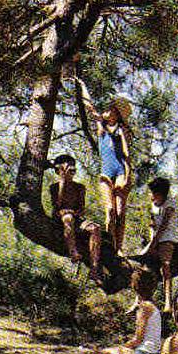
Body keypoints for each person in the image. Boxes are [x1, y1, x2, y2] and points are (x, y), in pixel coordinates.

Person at [73, 77, 133, 256]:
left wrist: (128, 177)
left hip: (120, 171)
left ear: (116, 114)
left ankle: (119, 248)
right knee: (109, 210)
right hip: (106, 172)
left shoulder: (121, 131)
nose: (105, 112)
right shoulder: (101, 129)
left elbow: (127, 156)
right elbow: (89, 106)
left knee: (120, 212)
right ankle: (110, 243)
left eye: (110, 110)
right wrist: (82, 84)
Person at [48, 154, 102, 280]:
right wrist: (62, 181)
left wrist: (75, 212)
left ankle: (94, 267)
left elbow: (81, 209)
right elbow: (57, 205)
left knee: (96, 228)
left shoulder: (80, 187)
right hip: (61, 218)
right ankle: (73, 252)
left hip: (75, 217)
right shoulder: (54, 187)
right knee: (68, 218)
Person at [139, 177, 178, 314]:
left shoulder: (170, 203)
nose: (150, 195)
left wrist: (154, 243)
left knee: (165, 266)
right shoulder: (153, 205)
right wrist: (151, 242)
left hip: (167, 238)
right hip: (155, 239)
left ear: (160, 193)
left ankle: (168, 302)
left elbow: (164, 225)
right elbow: (152, 224)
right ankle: (139, 301)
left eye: (152, 192)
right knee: (142, 268)